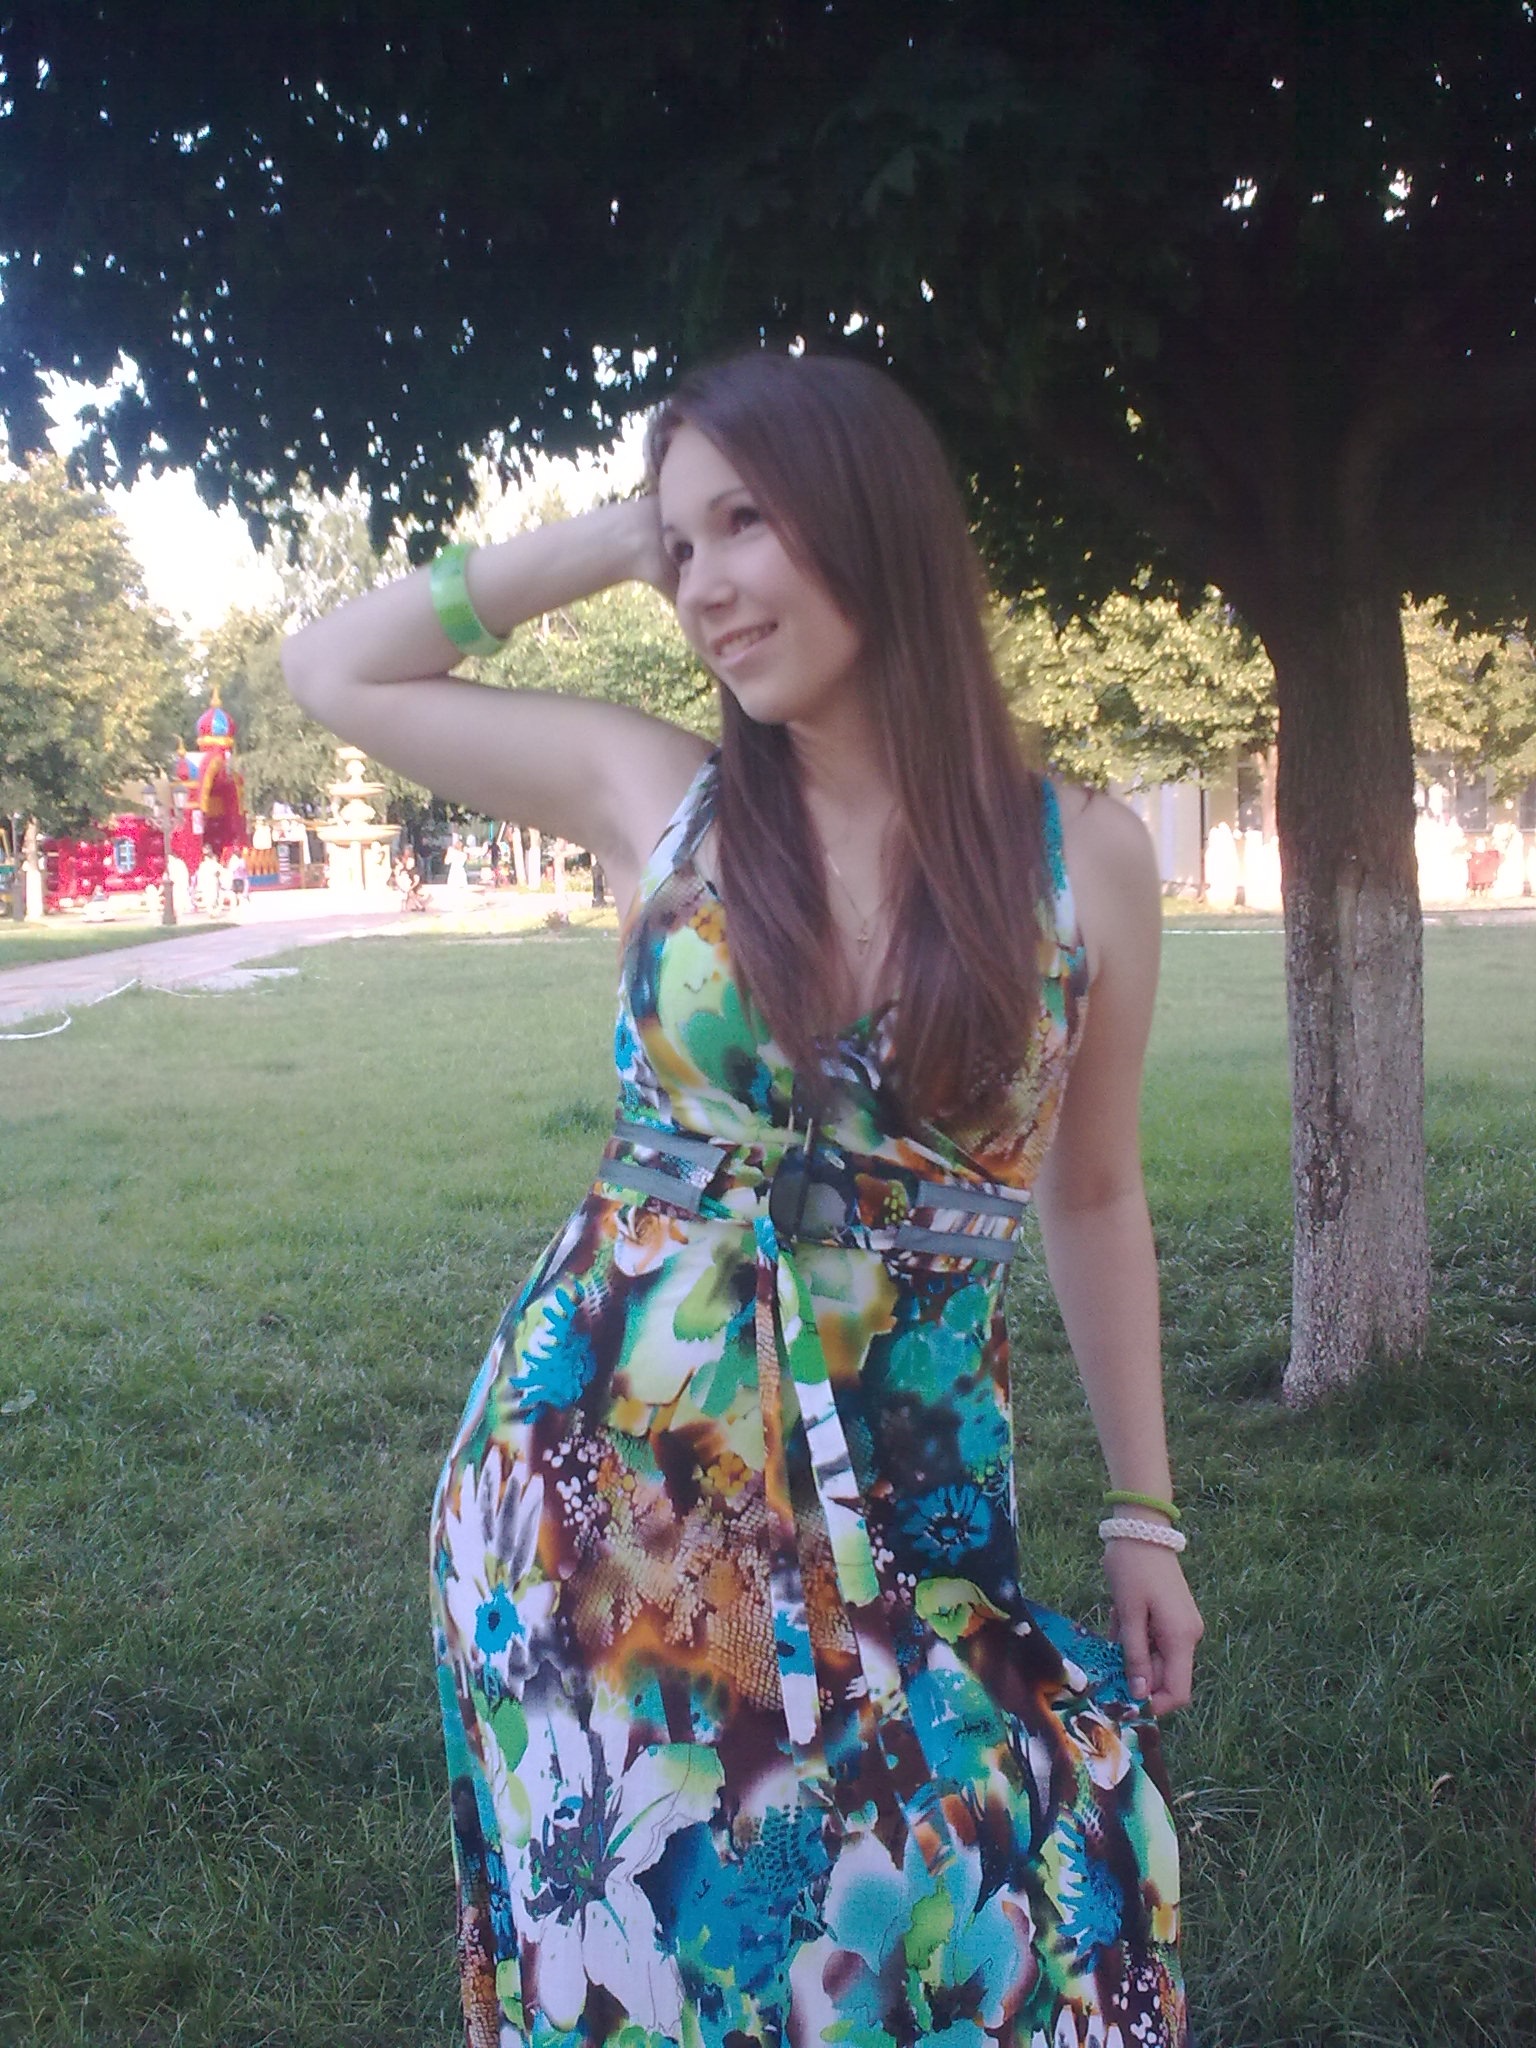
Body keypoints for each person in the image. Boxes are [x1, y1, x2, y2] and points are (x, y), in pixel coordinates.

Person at [281, 351, 1202, 2048]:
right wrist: (611, 539)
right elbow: (330, 666)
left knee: (985, 1920)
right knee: (666, 1963)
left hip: (912, 1498)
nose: (701, 583)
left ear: (873, 519)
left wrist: (1144, 1514)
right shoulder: (661, 796)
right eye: (680, 544)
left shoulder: (1083, 859)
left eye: (744, 523)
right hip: (593, 1497)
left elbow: (1094, 1191)